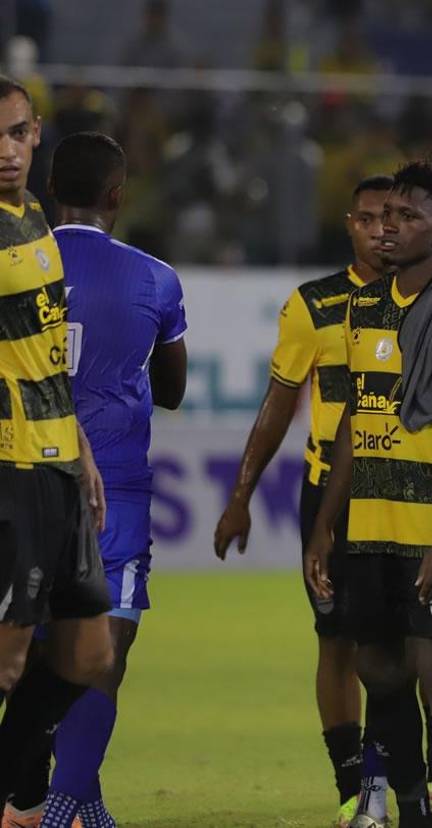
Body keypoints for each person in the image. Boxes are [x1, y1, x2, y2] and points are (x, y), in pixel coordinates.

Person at [304, 161, 432, 828]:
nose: (388, 228)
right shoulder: (361, 306)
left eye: (405, 217)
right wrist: (325, 526)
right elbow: (353, 421)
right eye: (383, 216)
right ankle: (411, 809)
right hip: (367, 524)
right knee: (378, 666)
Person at [1, 131, 188, 828]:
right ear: (118, 195)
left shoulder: (18, 260)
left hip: (19, 470)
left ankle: (47, 800)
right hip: (112, 486)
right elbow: (171, 389)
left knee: (27, 650)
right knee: (100, 652)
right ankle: (64, 802)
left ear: (49, 193)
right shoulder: (154, 278)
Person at [213, 175, 393, 828]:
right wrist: (241, 497)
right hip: (331, 500)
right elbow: (278, 406)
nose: (380, 230)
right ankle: (355, 788)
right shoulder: (313, 305)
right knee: (340, 643)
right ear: (349, 224)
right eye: (368, 219)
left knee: (418, 645)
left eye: (391, 217)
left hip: (411, 491)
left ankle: (413, 780)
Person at [0, 75, 113, 810]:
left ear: (37, 133)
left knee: (87, 655)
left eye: (14, 134)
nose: (4, 152)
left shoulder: (33, 214)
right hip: (8, 468)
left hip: (57, 465)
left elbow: (41, 345)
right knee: (8, 661)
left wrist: (82, 447)